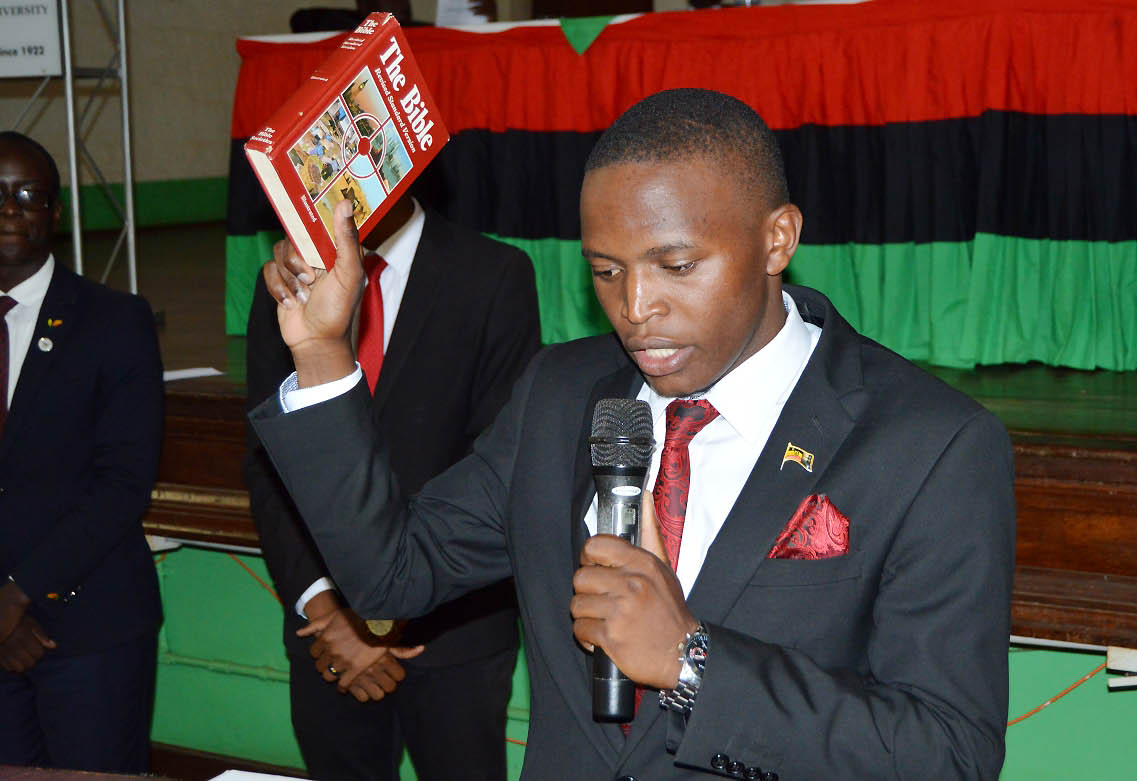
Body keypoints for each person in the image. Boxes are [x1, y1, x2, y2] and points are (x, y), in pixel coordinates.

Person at [250, 89, 1015, 778]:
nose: (636, 307)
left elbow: (947, 753)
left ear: (778, 239)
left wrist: (694, 664)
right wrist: (321, 353)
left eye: (676, 264)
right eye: (606, 271)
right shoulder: (559, 394)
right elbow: (392, 575)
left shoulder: (931, 445)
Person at [244, 191, 540, 781]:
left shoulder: (493, 273)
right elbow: (270, 459)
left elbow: (497, 463)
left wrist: (378, 621)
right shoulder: (288, 280)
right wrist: (329, 608)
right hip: (324, 634)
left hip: (453, 634)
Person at [0, 131, 163, 771]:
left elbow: (123, 485)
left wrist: (15, 597)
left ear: (56, 213)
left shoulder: (115, 321)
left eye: (27, 195)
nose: (10, 210)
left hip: (90, 631)